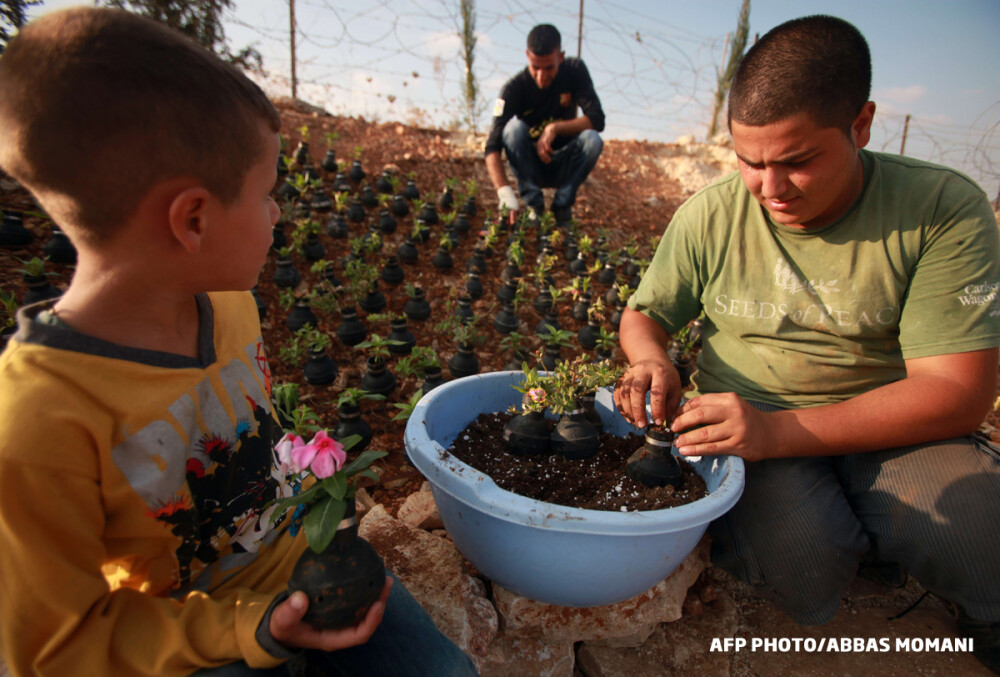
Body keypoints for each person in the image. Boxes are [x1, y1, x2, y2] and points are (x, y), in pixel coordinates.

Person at [0, 8, 478, 677]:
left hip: (304, 571)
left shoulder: (231, 310)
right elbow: (57, 644)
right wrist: (250, 629)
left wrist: (325, 514)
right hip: (193, 640)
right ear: (193, 219)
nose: (278, 214)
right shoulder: (38, 418)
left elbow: (258, 441)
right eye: (267, 195)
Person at [613, 15, 1000, 673]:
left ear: (862, 124)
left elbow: (958, 395)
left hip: (896, 427)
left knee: (980, 540)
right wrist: (650, 359)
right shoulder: (712, 214)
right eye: (749, 161)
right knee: (806, 572)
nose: (769, 188)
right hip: (752, 429)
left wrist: (779, 433)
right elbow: (644, 314)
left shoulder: (939, 210)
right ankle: (865, 536)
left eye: (797, 161)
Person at [484, 23, 605, 226]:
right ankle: (534, 206)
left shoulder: (575, 71)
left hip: (565, 161)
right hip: (532, 165)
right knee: (512, 130)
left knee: (592, 140)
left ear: (561, 57)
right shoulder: (514, 89)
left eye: (549, 67)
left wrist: (554, 128)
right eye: (535, 67)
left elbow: (597, 119)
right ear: (527, 56)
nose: (541, 76)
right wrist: (505, 193)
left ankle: (562, 205)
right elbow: (492, 146)